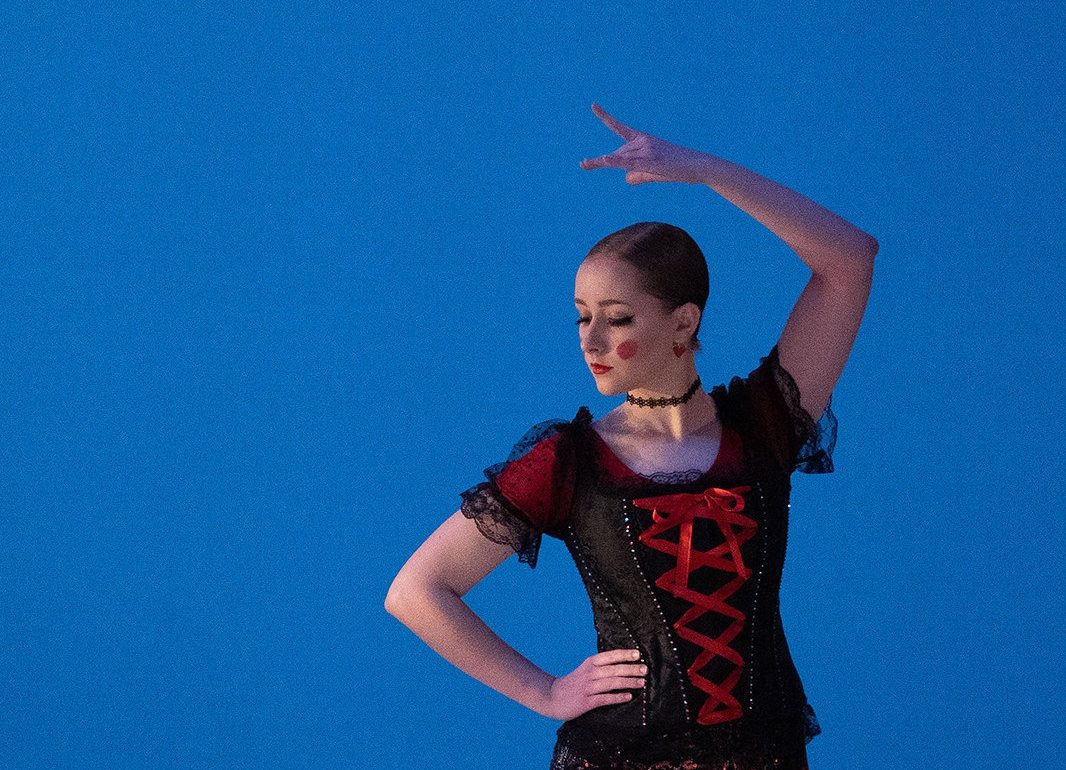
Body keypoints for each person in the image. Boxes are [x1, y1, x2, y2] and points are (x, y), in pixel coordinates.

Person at [384, 103, 877, 770]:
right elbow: (416, 592)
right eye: (581, 317)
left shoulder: (762, 426)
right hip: (620, 755)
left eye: (615, 319)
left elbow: (850, 258)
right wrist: (544, 690)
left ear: (683, 323)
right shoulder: (571, 463)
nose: (590, 342)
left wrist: (706, 170)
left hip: (765, 753)